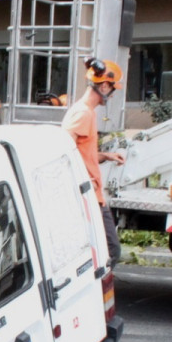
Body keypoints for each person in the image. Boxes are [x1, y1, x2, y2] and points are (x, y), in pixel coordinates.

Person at [62, 58, 124, 266]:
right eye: (113, 89)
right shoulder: (82, 113)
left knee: (102, 251)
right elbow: (65, 154)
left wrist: (106, 156)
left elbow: (81, 153)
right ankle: (98, 295)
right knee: (111, 250)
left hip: (92, 193)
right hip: (87, 194)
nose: (113, 94)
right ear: (104, 85)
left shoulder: (86, 113)